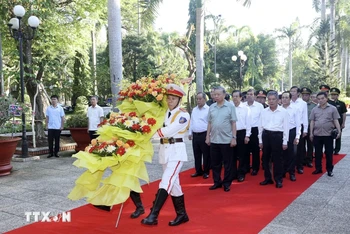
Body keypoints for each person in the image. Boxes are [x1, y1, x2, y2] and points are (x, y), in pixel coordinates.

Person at [141, 84, 190, 226]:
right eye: (168, 98)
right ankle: (182, 215)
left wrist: (146, 133)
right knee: (174, 185)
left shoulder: (183, 115)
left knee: (166, 181)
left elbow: (167, 131)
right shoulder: (164, 113)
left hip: (176, 152)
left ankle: (153, 215)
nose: (170, 101)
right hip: (165, 150)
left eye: (173, 99)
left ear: (179, 100)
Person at [206, 86, 237, 192]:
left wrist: (234, 137)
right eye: (214, 94)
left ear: (224, 95)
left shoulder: (230, 107)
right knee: (215, 163)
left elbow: (233, 123)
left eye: (218, 94)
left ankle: (227, 183)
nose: (216, 96)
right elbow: (209, 122)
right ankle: (217, 182)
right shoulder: (212, 107)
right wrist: (207, 136)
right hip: (214, 139)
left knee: (228, 163)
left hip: (226, 140)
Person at [259, 90, 289, 188]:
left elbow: (286, 128)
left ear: (277, 100)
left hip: (277, 136)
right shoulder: (264, 111)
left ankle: (278, 179)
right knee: (265, 158)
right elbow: (260, 127)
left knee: (277, 159)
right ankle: (267, 178)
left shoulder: (283, 112)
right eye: (269, 99)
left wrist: (285, 141)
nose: (271, 101)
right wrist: (260, 140)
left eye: (273, 99)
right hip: (266, 135)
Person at [309, 92, 341, 177]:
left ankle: (329, 169)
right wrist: (311, 133)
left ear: (326, 98)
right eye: (318, 99)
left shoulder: (333, 108)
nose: (320, 100)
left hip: (328, 134)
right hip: (317, 134)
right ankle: (318, 168)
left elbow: (335, 120)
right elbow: (312, 121)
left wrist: (339, 131)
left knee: (329, 153)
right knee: (318, 153)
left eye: (322, 98)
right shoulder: (314, 109)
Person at [188, 92, 210, 179]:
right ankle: (198, 170)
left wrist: (209, 135)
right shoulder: (194, 109)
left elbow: (210, 123)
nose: (198, 101)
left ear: (204, 99)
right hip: (195, 135)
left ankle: (206, 171)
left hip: (204, 134)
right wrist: (190, 132)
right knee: (196, 154)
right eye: (197, 99)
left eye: (200, 99)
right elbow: (192, 121)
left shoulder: (208, 109)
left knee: (206, 154)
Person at [231, 90, 251, 182]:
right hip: (231, 134)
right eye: (233, 96)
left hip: (242, 133)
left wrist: (247, 135)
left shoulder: (246, 108)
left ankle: (241, 173)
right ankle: (233, 173)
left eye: (236, 96)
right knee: (232, 155)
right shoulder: (229, 108)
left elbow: (248, 123)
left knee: (242, 155)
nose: (235, 98)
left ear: (240, 97)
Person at [281, 91, 301, 182]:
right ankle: (283, 170)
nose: (284, 99)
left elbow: (298, 124)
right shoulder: (279, 109)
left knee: (292, 153)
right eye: (283, 97)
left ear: (290, 99)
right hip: (281, 132)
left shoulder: (295, 109)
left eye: (286, 97)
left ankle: (291, 172)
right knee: (282, 153)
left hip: (292, 131)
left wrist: (297, 136)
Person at [244, 89, 264, 176]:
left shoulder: (259, 106)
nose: (249, 96)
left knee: (255, 150)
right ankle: (246, 166)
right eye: (248, 94)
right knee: (245, 150)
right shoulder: (243, 106)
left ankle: (255, 168)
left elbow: (261, 120)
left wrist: (260, 133)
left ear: (255, 96)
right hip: (245, 130)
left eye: (251, 94)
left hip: (255, 129)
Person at [290, 86, 308, 174]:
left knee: (300, 148)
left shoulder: (302, 103)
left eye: (294, 91)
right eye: (291, 91)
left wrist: (305, 129)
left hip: (299, 126)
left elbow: (305, 117)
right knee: (290, 149)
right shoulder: (287, 102)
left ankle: (299, 166)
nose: (292, 93)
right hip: (289, 127)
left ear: (298, 93)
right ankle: (290, 166)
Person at [328, 87, 347, 154]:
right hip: (330, 123)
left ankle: (337, 150)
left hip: (339, 122)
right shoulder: (328, 103)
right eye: (332, 95)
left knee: (338, 136)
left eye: (335, 95)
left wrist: (343, 123)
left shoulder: (341, 103)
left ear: (338, 95)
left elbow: (343, 114)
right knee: (329, 137)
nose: (333, 96)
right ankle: (330, 149)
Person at [301, 87, 317, 167]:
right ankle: (303, 159)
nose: (304, 97)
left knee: (310, 144)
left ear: (309, 96)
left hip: (310, 127)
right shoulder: (299, 105)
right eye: (303, 95)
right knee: (301, 145)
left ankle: (309, 160)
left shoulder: (314, 106)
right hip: (301, 127)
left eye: (306, 95)